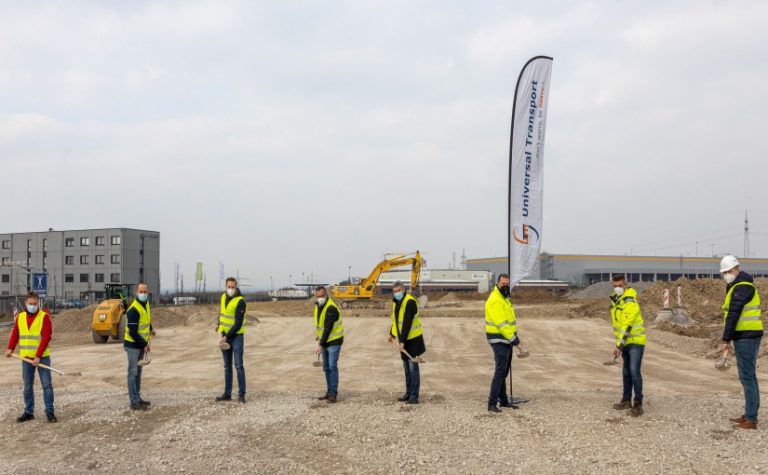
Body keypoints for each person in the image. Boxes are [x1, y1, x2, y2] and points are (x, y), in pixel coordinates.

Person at [719, 255, 763, 430]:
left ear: (735, 269)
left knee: (748, 377)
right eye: (723, 273)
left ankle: (751, 419)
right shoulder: (737, 285)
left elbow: (733, 314)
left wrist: (726, 338)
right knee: (747, 377)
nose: (725, 275)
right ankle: (749, 414)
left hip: (747, 336)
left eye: (727, 272)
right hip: (745, 335)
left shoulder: (742, 287)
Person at [5, 291, 56, 423]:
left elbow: (46, 338)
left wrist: (38, 356)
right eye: (30, 303)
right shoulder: (21, 317)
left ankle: (50, 412)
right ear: (25, 303)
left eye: (34, 304)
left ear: (38, 303)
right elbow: (15, 334)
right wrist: (10, 348)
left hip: (42, 357)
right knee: (28, 386)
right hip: (26, 358)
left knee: (47, 385)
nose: (32, 306)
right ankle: (29, 412)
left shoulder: (44, 317)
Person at [609, 275, 646, 417]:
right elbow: (618, 325)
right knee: (626, 371)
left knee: (634, 371)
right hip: (625, 342)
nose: (617, 288)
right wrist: (619, 343)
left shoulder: (630, 301)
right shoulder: (617, 300)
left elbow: (627, 325)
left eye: (620, 285)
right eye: (615, 286)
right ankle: (626, 400)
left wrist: (618, 345)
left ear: (626, 285)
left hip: (635, 341)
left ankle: (638, 404)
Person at [484, 273, 520, 412]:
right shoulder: (495, 300)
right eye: (503, 284)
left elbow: (509, 322)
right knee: (500, 372)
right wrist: (515, 341)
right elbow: (502, 324)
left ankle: (503, 401)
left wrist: (513, 337)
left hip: (506, 339)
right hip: (499, 339)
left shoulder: (504, 298)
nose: (505, 286)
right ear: (497, 284)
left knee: (504, 371)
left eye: (507, 284)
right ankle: (492, 404)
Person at [388, 281, 425, 404]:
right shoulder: (396, 302)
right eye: (394, 291)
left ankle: (414, 396)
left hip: (413, 340)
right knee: (406, 368)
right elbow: (396, 320)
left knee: (412, 367)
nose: (396, 293)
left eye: (398, 290)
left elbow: (407, 323)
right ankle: (408, 393)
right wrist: (392, 334)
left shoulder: (409, 302)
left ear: (403, 290)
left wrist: (402, 341)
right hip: (403, 339)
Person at [124, 282, 155, 411]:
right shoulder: (133, 309)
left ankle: (137, 398)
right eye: (141, 291)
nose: (143, 294)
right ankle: (134, 402)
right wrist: (144, 344)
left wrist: (151, 329)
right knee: (132, 373)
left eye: (145, 291)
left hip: (141, 345)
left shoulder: (146, 304)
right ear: (136, 293)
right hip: (133, 346)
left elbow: (146, 321)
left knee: (138, 373)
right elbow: (132, 331)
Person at [216, 277, 247, 403]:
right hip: (225, 336)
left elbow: (238, 324)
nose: (230, 289)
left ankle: (241, 394)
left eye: (232, 287)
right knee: (227, 366)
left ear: (236, 287)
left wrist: (226, 337)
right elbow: (223, 314)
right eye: (228, 287)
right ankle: (227, 394)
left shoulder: (241, 301)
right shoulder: (223, 297)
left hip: (236, 338)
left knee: (238, 365)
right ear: (225, 286)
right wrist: (218, 325)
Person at [313, 286, 343, 403]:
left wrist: (320, 344)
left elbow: (328, 328)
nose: (319, 298)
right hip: (325, 340)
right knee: (326, 367)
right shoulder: (318, 306)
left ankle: (333, 393)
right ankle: (329, 391)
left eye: (321, 296)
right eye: (317, 296)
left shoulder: (331, 308)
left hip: (334, 341)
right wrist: (318, 335)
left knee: (332, 366)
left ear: (326, 295)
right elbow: (320, 325)